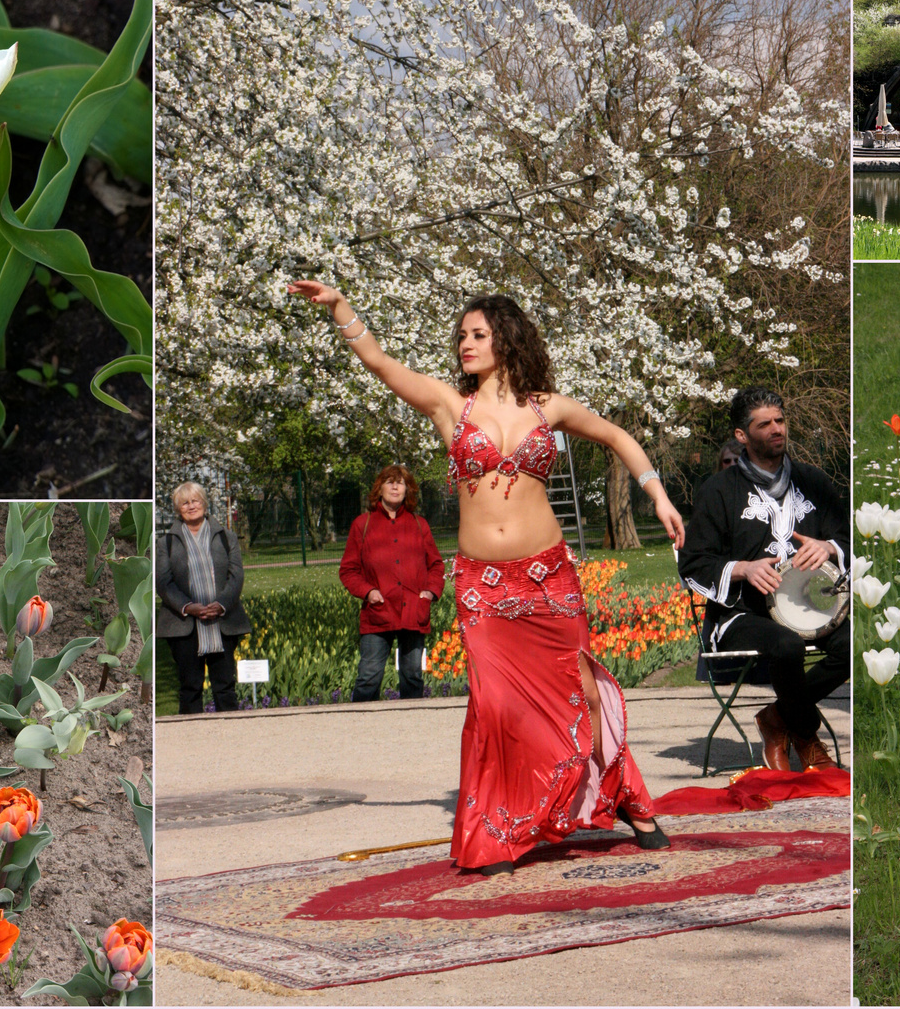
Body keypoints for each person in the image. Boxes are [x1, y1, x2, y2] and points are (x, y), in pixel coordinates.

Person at [288, 281, 686, 875]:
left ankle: (626, 798)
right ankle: (499, 830)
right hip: (484, 584)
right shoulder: (452, 405)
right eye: (462, 336)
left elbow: (617, 436)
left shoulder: (548, 406)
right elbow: (378, 362)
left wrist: (656, 494)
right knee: (497, 708)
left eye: (478, 334)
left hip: (549, 576)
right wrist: (342, 307)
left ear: (507, 339)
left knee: (581, 692)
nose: (466, 344)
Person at [677, 387, 850, 773]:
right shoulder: (718, 491)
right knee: (785, 645)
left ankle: (776, 718)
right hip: (741, 615)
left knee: (854, 643)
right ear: (742, 435)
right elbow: (693, 562)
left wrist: (829, 548)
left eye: (780, 420)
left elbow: (847, 537)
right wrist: (743, 568)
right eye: (764, 424)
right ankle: (806, 734)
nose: (777, 429)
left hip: (813, 607)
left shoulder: (814, 482)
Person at [339, 465, 444, 702]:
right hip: (379, 612)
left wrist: (430, 592)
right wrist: (368, 592)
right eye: (389, 482)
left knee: (413, 677)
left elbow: (436, 565)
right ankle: (361, 728)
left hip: (413, 612)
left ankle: (410, 730)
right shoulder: (362, 525)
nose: (395, 486)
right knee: (368, 677)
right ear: (379, 488)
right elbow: (348, 570)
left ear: (408, 490)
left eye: (401, 483)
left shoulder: (420, 525)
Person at [158, 482, 249, 715]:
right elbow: (163, 582)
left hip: (222, 622)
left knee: (225, 686)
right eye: (185, 503)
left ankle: (231, 735)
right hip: (184, 625)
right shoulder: (165, 542)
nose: (191, 506)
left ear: (204, 503)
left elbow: (236, 575)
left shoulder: (226, 537)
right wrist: (189, 607)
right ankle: (191, 743)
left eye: (195, 500)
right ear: (179, 509)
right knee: (190, 687)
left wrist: (221, 605)